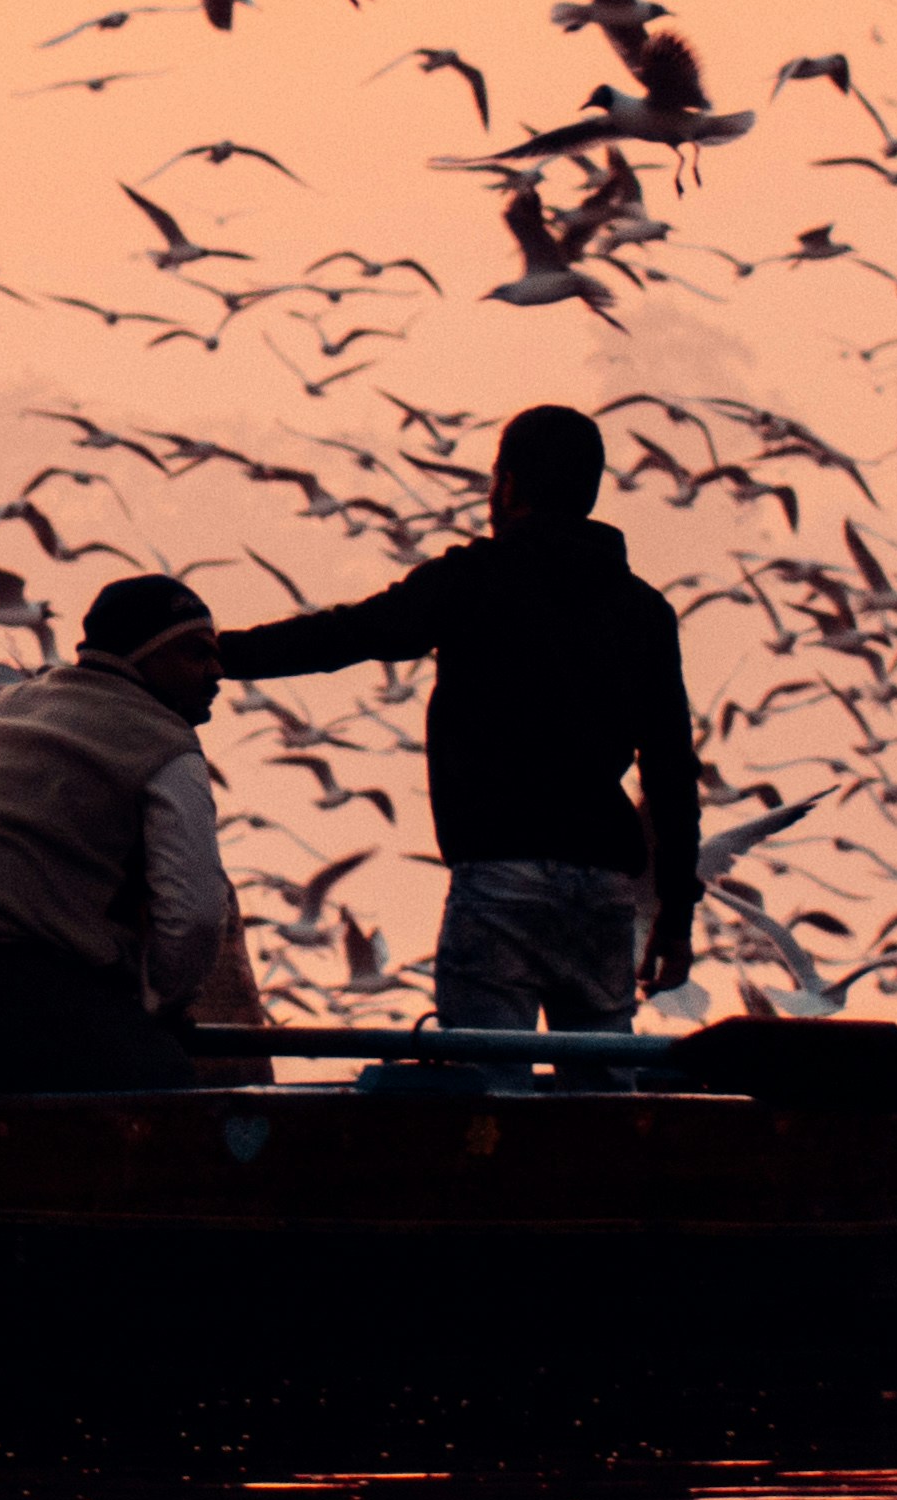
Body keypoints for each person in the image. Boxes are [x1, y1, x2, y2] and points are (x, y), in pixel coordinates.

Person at [209, 404, 700, 1043]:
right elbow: (670, 772)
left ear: (508, 486)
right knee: (605, 1096)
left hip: (501, 876)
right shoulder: (645, 611)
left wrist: (215, 654)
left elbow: (348, 635)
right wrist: (675, 918)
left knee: (487, 1091)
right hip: (603, 892)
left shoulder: (473, 580)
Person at [0, 575, 248, 1090]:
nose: (217, 670)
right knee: (178, 1119)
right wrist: (156, 1003)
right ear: (143, 657)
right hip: (9, 973)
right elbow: (193, 917)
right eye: (196, 654)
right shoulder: (167, 744)